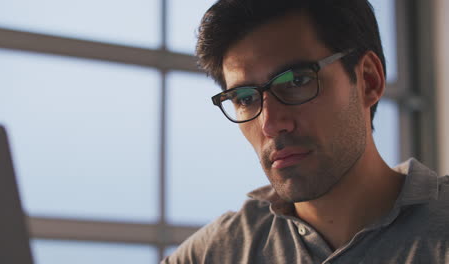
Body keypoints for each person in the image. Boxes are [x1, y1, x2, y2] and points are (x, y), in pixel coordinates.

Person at [162, 0, 449, 263]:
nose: (271, 124)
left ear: (368, 80)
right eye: (245, 98)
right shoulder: (216, 253)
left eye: (297, 81)